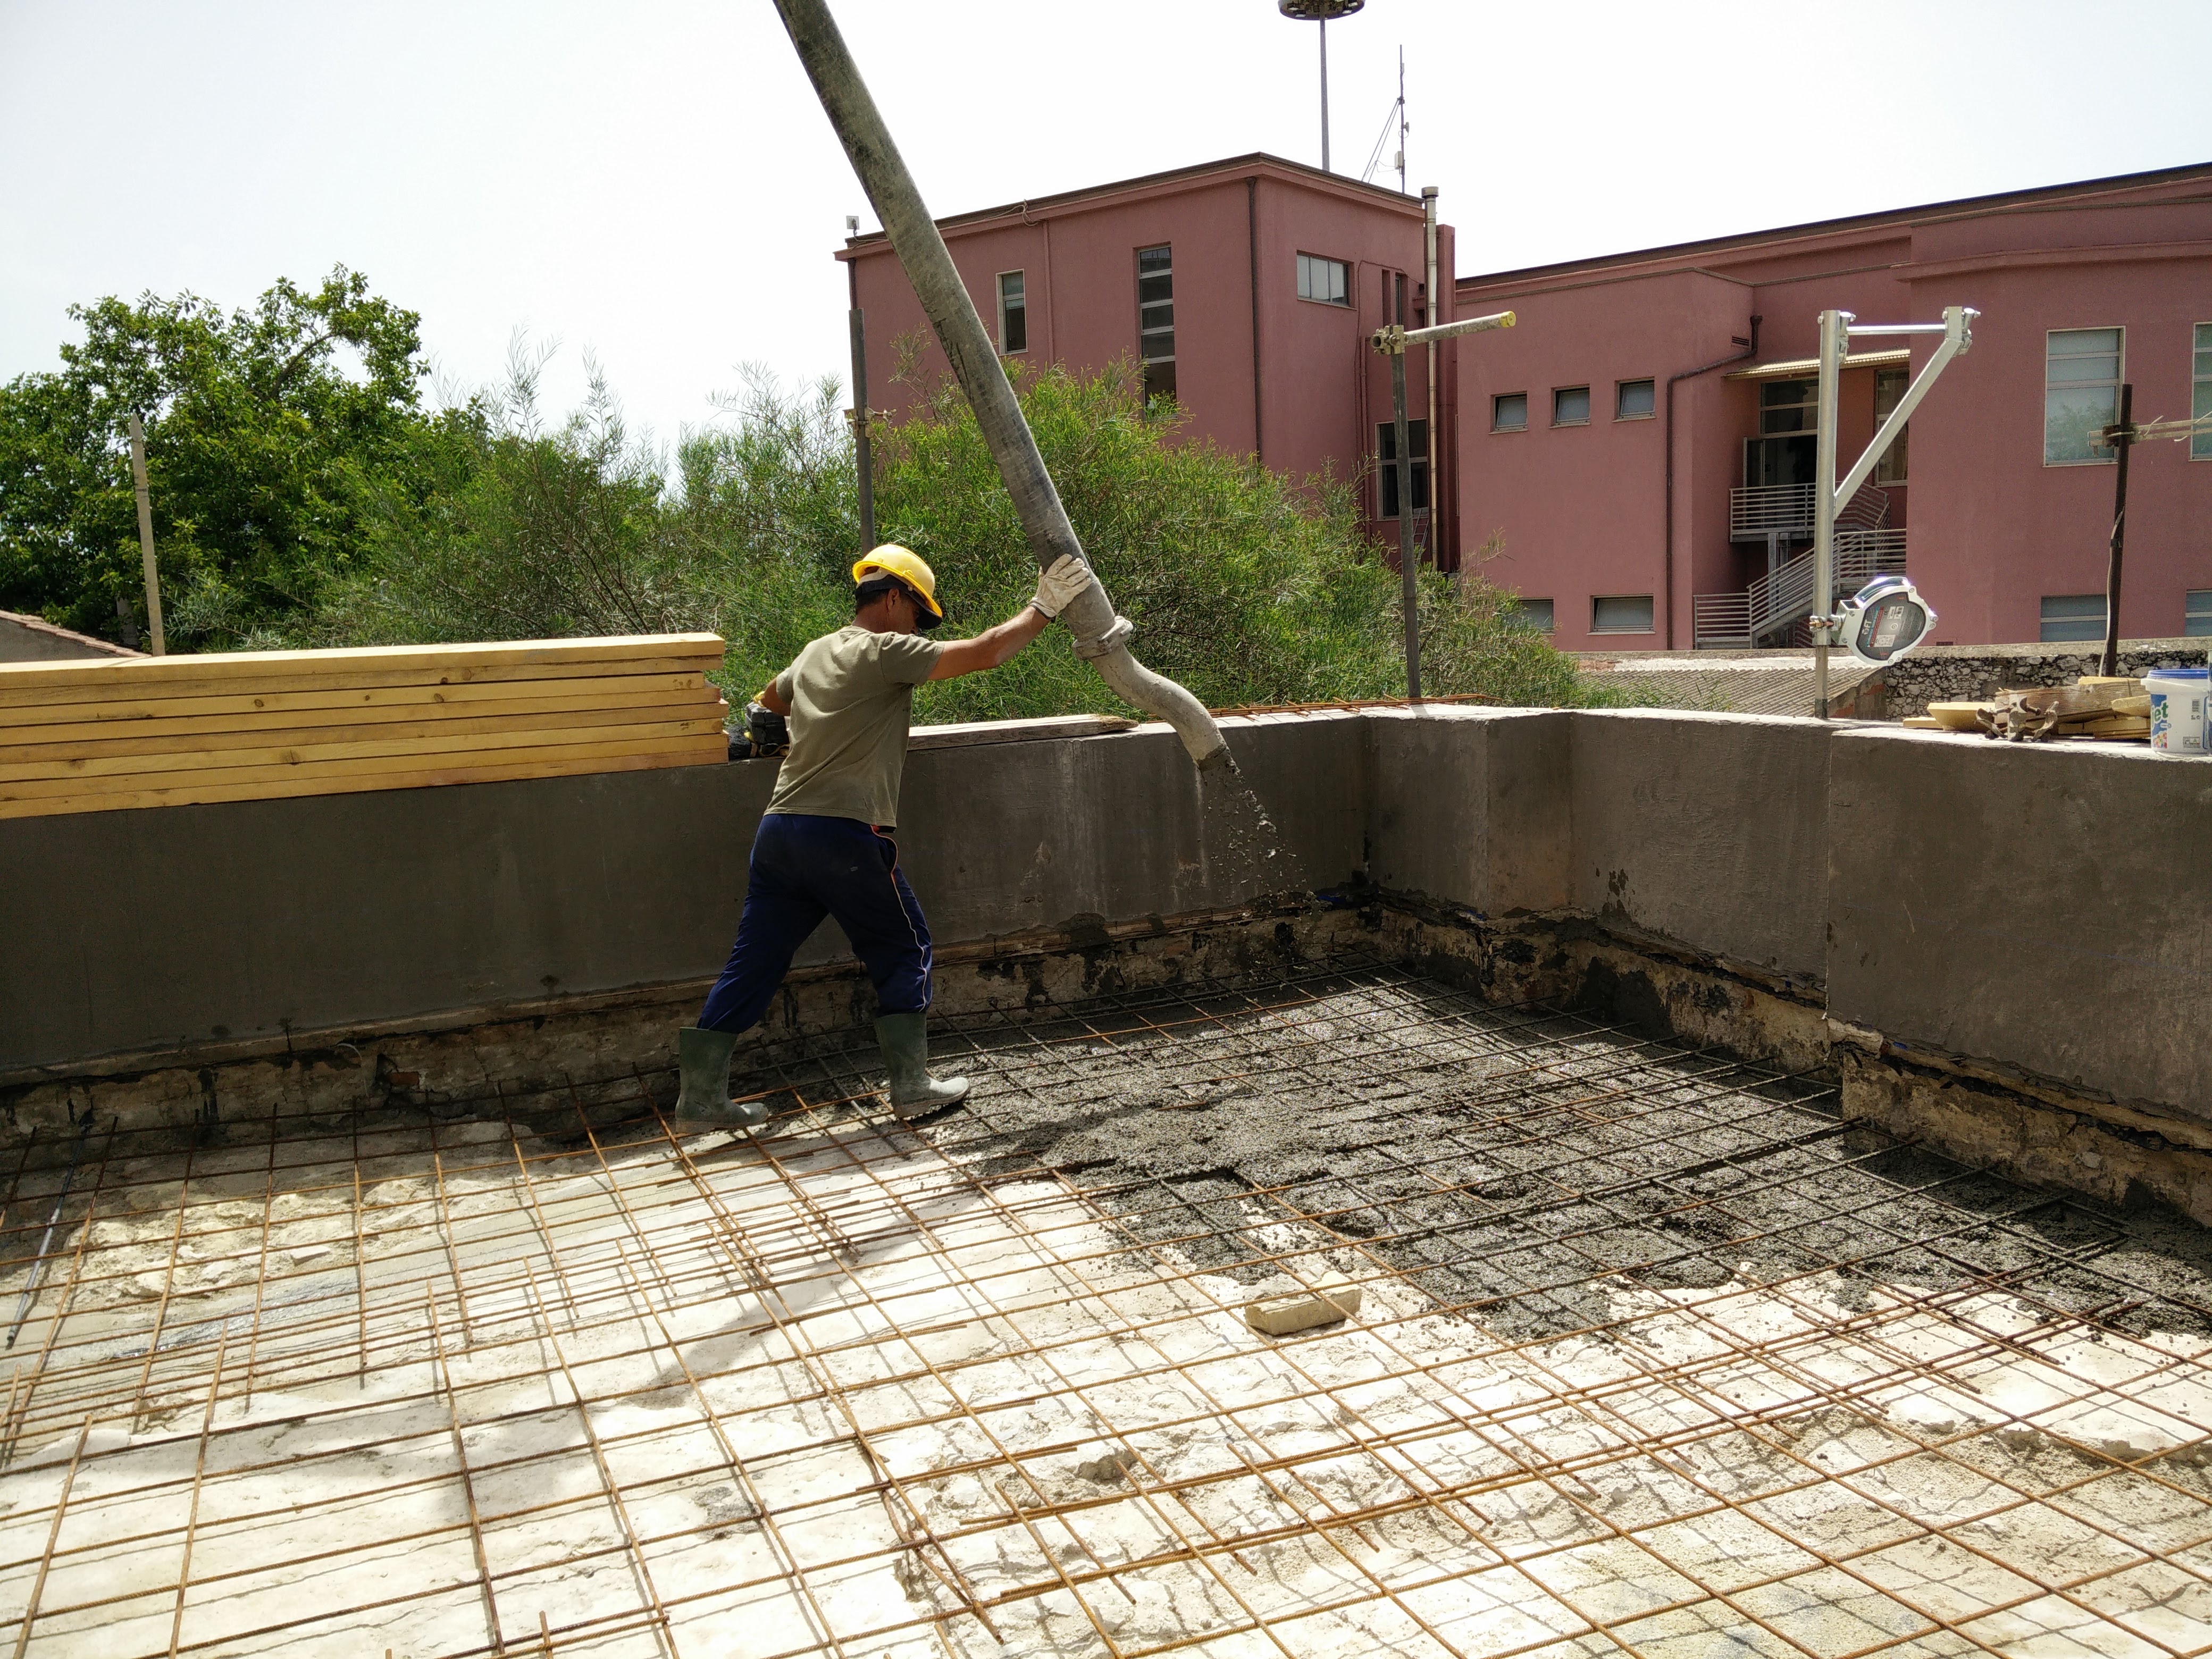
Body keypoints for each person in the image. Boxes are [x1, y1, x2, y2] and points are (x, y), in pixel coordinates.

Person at [673, 544, 1095, 1128]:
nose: (918, 629)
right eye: (918, 615)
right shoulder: (881, 651)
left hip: (779, 832)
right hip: (842, 832)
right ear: (895, 597)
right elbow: (984, 653)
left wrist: (763, 727)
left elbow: (767, 703)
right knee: (904, 945)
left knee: (755, 961)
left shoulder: (815, 651)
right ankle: (912, 1087)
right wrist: (1043, 607)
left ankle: (698, 1101)